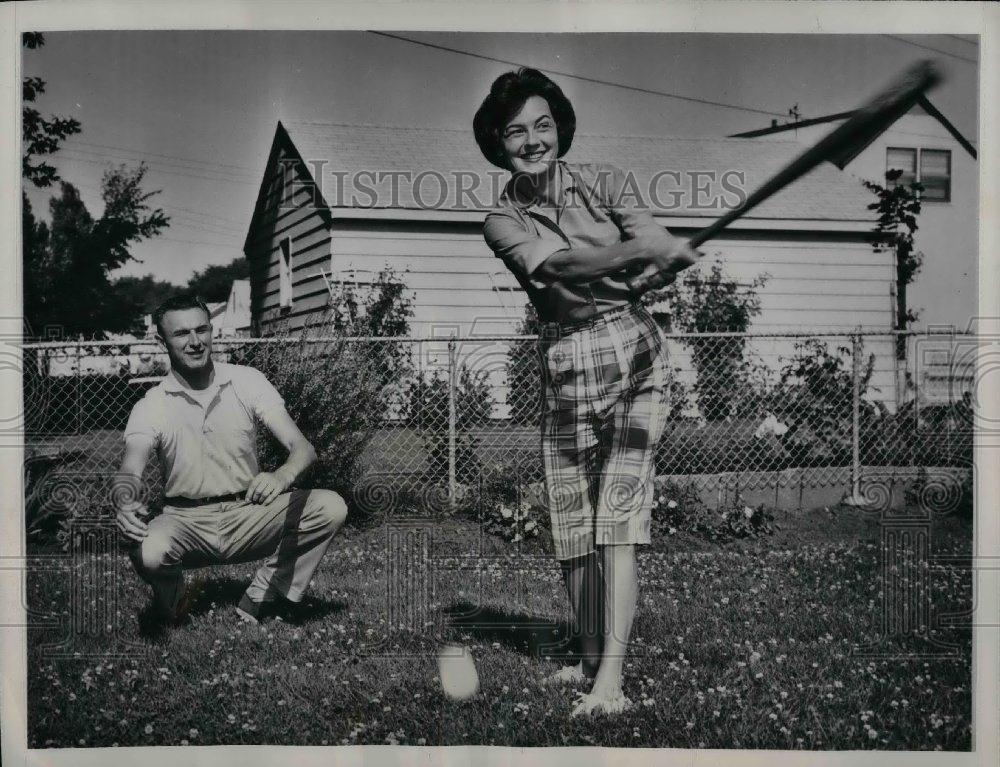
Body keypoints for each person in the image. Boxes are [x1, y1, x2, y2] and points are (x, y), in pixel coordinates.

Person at [474, 68, 700, 716]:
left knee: (617, 521)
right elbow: (565, 268)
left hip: (636, 355)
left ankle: (611, 682)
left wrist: (660, 253)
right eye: (516, 130)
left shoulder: (607, 180)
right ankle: (589, 653)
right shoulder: (501, 220)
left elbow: (648, 245)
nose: (533, 139)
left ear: (560, 126)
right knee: (572, 525)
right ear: (497, 141)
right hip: (569, 363)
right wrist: (640, 253)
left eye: (543, 124)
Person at [113, 294, 348, 629]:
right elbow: (130, 469)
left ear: (212, 332)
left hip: (249, 513)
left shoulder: (246, 380)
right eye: (182, 334)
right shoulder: (152, 405)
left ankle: (263, 595)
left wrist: (281, 477)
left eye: (202, 330)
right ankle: (174, 597)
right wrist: (123, 503)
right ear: (161, 340)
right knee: (149, 550)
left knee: (330, 506)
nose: (195, 342)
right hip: (185, 520)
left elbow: (302, 448)